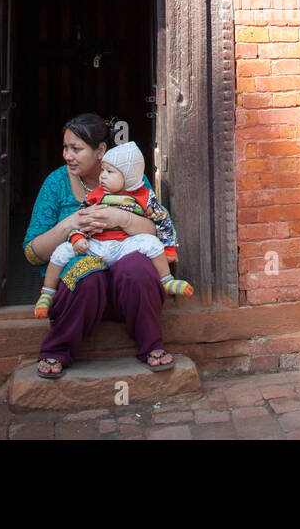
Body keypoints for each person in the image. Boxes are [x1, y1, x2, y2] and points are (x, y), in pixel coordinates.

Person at [22, 113, 179, 379]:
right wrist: (69, 225)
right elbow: (32, 253)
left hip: (124, 293)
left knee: (138, 268)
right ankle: (58, 349)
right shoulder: (56, 184)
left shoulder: (131, 179)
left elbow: (158, 231)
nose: (67, 156)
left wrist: (122, 218)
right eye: (65, 148)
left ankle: (151, 345)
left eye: (76, 149)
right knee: (88, 272)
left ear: (101, 151)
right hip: (81, 296)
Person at [34, 139, 192, 317]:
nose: (102, 176)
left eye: (110, 172)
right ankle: (47, 293)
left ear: (129, 176)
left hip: (125, 246)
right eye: (103, 170)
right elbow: (81, 219)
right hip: (95, 246)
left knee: (151, 242)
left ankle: (166, 280)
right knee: (61, 252)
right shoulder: (95, 196)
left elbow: (162, 219)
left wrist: (168, 248)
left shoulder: (144, 196)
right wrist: (78, 238)